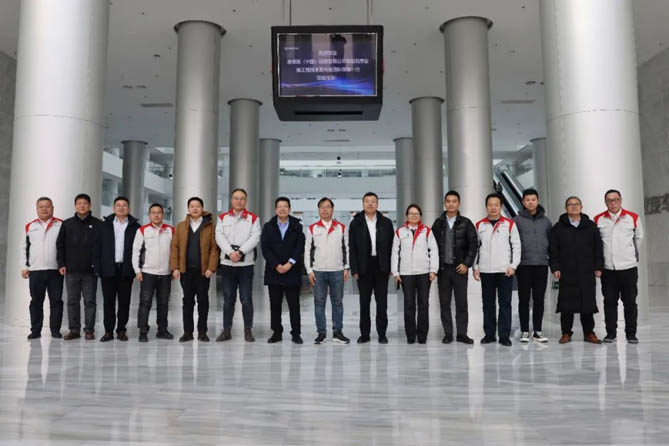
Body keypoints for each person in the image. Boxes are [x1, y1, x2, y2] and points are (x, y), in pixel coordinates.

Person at [549, 196, 604, 344]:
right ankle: (566, 333)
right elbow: (553, 250)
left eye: (576, 204)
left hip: (587, 271)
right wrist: (555, 267)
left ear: (581, 207)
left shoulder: (590, 226)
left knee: (587, 303)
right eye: (570, 204)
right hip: (566, 271)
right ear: (565, 208)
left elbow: (598, 248)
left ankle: (589, 333)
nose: (574, 206)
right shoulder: (558, 228)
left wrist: (599, 266)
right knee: (566, 304)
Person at [594, 189, 644, 344]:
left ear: (621, 200)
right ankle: (611, 333)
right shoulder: (599, 219)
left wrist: (629, 254)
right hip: (608, 269)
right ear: (605, 202)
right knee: (609, 302)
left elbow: (639, 238)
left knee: (630, 302)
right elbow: (596, 244)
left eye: (615, 199)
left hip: (628, 268)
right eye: (609, 200)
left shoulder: (633, 217)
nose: (613, 203)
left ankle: (631, 333)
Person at [474, 193, 521, 347]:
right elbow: (475, 248)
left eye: (496, 205)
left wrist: (513, 266)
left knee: (505, 304)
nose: (493, 208)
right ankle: (489, 334)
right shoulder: (479, 225)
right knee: (488, 304)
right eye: (490, 205)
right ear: (486, 207)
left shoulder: (509, 224)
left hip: (504, 270)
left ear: (500, 206)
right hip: (486, 270)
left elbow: (516, 246)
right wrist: (475, 267)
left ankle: (504, 335)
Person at [170, 197, 219, 342]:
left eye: (198, 206)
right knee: (187, 301)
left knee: (203, 301)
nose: (195, 208)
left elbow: (214, 249)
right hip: (185, 271)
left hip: (203, 271)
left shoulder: (210, 226)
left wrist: (211, 268)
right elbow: (174, 248)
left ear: (202, 208)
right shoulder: (181, 226)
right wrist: (175, 267)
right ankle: (187, 332)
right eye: (192, 206)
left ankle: (202, 332)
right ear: (188, 209)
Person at [215, 188, 261, 342]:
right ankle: (226, 330)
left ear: (245, 201)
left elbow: (255, 238)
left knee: (246, 299)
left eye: (242, 198)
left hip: (246, 265)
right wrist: (230, 252)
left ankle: (248, 330)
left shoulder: (253, 219)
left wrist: (240, 252)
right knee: (228, 299)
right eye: (236, 198)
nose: (239, 201)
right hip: (227, 264)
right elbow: (219, 236)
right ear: (231, 200)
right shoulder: (223, 218)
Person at [431, 190, 477, 345]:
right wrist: (434, 267)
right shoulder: (438, 223)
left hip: (460, 269)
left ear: (459, 203)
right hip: (443, 270)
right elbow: (432, 246)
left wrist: (466, 264)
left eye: (454, 201)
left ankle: (462, 334)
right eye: (448, 201)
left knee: (461, 303)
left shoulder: (466, 223)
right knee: (444, 303)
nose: (451, 204)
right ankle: (448, 334)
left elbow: (473, 245)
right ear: (445, 203)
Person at [348, 192, 394, 344]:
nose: (370, 204)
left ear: (377, 204)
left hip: (381, 266)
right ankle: (365, 334)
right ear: (363, 204)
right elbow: (352, 248)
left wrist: (391, 267)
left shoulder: (386, 222)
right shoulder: (356, 223)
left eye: (373, 201)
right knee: (364, 302)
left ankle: (382, 333)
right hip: (363, 267)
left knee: (382, 302)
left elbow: (392, 246)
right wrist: (354, 269)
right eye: (367, 201)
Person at [304, 197, 350, 345]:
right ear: (318, 210)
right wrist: (309, 270)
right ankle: (321, 333)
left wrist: (346, 267)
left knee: (338, 303)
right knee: (319, 302)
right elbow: (307, 250)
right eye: (322, 207)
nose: (325, 209)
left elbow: (346, 248)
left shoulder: (341, 227)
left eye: (328, 207)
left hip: (337, 270)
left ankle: (338, 333)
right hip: (318, 271)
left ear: (332, 209)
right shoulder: (312, 228)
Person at [56, 193, 101, 341]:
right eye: (79, 203)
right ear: (75, 206)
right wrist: (61, 264)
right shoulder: (67, 224)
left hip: (90, 271)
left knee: (90, 301)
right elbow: (60, 245)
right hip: (71, 270)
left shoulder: (97, 224)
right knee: (72, 301)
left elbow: (101, 247)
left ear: (90, 206)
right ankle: (74, 330)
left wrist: (98, 266)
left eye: (85, 203)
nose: (82, 206)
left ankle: (89, 330)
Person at [260, 197, 305, 344]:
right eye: (279, 206)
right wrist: (276, 265)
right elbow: (265, 247)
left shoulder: (297, 226)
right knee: (275, 304)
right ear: (275, 209)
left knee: (294, 305)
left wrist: (290, 263)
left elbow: (299, 246)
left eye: (285, 206)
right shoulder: (268, 226)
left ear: (289, 209)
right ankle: (276, 332)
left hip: (292, 270)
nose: (282, 209)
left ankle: (296, 333)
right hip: (274, 271)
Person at [391, 204, 438, 344]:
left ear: (420, 216)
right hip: (406, 273)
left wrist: (433, 270)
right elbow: (395, 253)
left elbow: (434, 250)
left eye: (416, 213)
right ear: (407, 216)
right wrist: (396, 273)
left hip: (424, 273)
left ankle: (422, 336)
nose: (414, 216)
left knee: (423, 304)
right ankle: (410, 335)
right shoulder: (400, 232)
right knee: (409, 304)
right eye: (411, 213)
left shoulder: (427, 231)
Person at [97, 196, 140, 342]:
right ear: (113, 208)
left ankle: (121, 330)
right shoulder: (104, 225)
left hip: (126, 269)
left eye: (124, 205)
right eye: (118, 205)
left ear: (128, 208)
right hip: (108, 268)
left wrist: (137, 268)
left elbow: (140, 249)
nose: (121, 207)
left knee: (124, 301)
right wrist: (98, 267)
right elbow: (97, 247)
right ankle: (108, 331)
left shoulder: (135, 227)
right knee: (108, 301)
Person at [513, 188, 552, 343]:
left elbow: (551, 243)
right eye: (527, 200)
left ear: (537, 201)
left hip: (541, 264)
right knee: (523, 299)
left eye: (533, 199)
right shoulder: (516, 221)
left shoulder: (546, 221)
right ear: (523, 202)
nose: (530, 202)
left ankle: (537, 330)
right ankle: (524, 331)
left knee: (539, 299)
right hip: (523, 265)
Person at [21, 197, 64, 340]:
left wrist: (64, 265)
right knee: (36, 302)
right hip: (35, 270)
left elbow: (66, 247)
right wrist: (24, 267)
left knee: (56, 302)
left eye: (47, 206)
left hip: (55, 270)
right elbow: (24, 248)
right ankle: (35, 330)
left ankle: (55, 330)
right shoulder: (30, 226)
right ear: (37, 209)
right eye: (41, 206)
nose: (44, 209)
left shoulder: (61, 224)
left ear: (53, 208)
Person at [132, 203, 175, 342]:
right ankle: (143, 331)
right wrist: (137, 270)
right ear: (149, 215)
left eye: (159, 212)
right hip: (147, 272)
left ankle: (162, 330)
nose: (156, 215)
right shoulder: (142, 230)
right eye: (153, 213)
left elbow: (175, 251)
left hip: (165, 273)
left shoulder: (170, 230)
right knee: (145, 302)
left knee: (163, 303)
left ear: (163, 214)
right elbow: (135, 252)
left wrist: (174, 269)